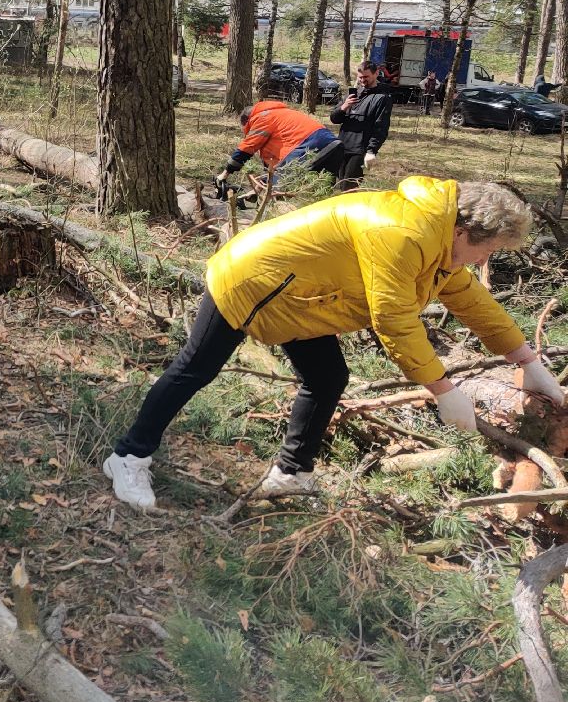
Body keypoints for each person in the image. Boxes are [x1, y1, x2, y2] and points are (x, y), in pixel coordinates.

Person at [103, 178, 563, 510]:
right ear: (465, 232)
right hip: (252, 281)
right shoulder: (403, 234)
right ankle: (128, 456)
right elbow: (394, 319)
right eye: (489, 250)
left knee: (327, 377)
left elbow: (470, 299)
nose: (486, 261)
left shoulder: (437, 241)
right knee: (196, 368)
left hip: (304, 298)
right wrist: (442, 388)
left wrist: (525, 358)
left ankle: (290, 474)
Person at [215, 100, 340, 191]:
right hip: (333, 145)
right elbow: (274, 167)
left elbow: (247, 148)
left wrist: (224, 174)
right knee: (317, 193)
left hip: (310, 145)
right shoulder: (282, 114)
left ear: (247, 122)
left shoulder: (262, 117)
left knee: (280, 190)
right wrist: (258, 189)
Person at [331, 60, 394, 190]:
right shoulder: (353, 94)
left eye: (366, 77)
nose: (362, 80)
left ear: (376, 73)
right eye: (360, 77)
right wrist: (344, 107)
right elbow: (334, 119)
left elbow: (381, 127)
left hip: (359, 150)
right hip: (341, 146)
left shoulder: (382, 98)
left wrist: (371, 151)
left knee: (349, 188)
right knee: (336, 185)